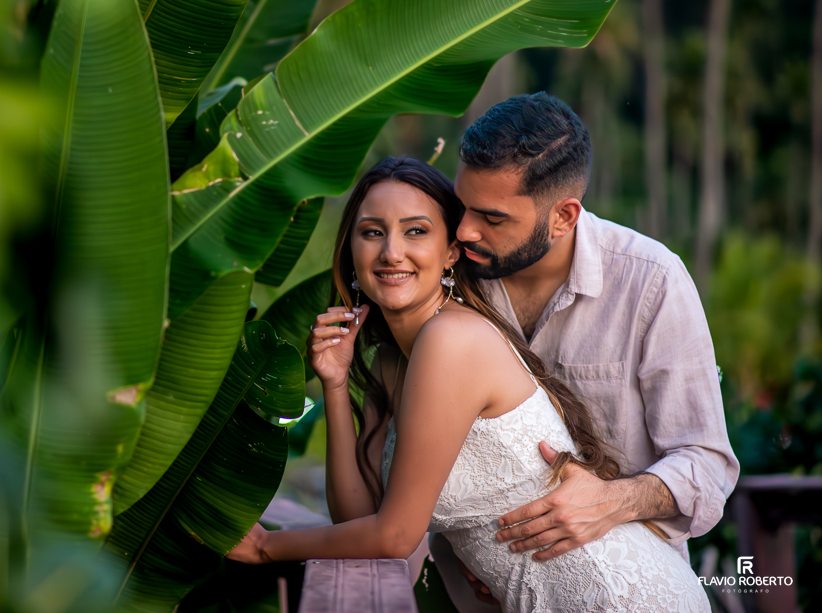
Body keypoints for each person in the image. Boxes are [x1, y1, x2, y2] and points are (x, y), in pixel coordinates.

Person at [227, 153, 711, 612]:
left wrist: (268, 547)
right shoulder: (395, 360)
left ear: (451, 253)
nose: (391, 252)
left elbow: (395, 537)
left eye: (415, 231)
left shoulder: (450, 341)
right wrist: (334, 385)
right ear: (351, 251)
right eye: (372, 232)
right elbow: (361, 522)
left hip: (618, 597)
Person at [439, 93, 737, 609]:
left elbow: (707, 466)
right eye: (460, 206)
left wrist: (611, 501)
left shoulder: (652, 282)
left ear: (563, 216)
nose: (464, 230)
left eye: (491, 217)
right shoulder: (446, 275)